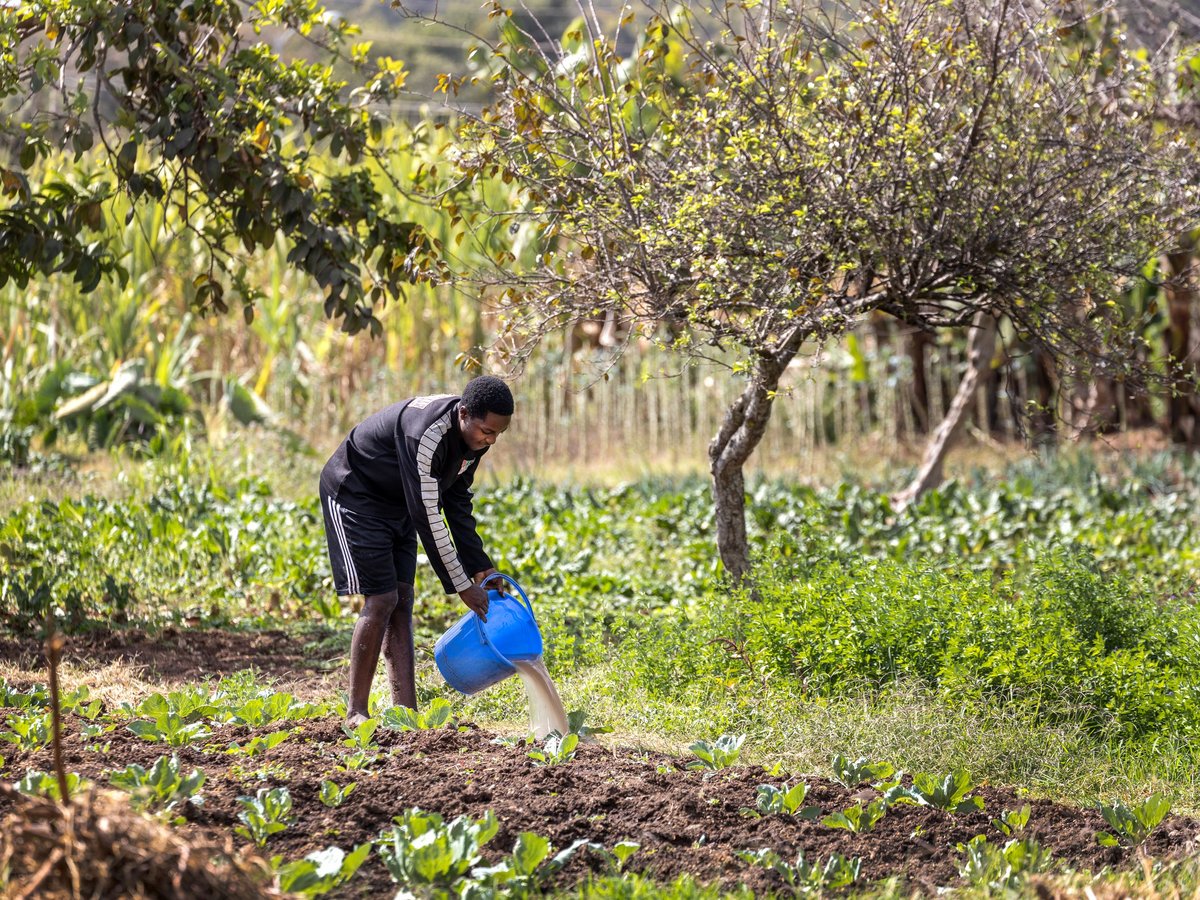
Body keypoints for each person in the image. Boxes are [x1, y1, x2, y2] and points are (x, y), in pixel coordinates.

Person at [319, 375, 514, 727]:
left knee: (403, 598)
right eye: (487, 431)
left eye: (499, 433)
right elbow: (427, 515)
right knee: (381, 599)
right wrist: (461, 585)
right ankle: (356, 712)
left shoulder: (476, 438)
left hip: (399, 503)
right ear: (464, 413)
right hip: (355, 495)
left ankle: (406, 715)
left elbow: (455, 501)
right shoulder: (425, 435)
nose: (491, 440)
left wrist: (479, 566)